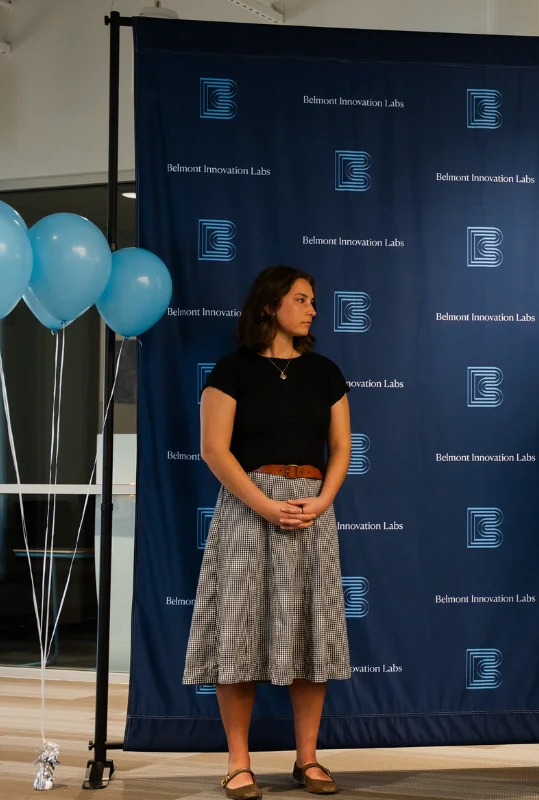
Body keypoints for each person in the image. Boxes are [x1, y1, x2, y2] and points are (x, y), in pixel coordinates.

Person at [183, 266, 352, 799]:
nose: (312, 309)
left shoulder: (325, 371)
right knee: (237, 634)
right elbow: (215, 449)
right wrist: (264, 505)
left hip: (310, 509)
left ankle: (308, 759)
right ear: (268, 306)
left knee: (312, 634)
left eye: (313, 300)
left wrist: (322, 501)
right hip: (245, 510)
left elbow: (342, 449)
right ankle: (238, 763)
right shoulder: (231, 371)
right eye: (301, 299)